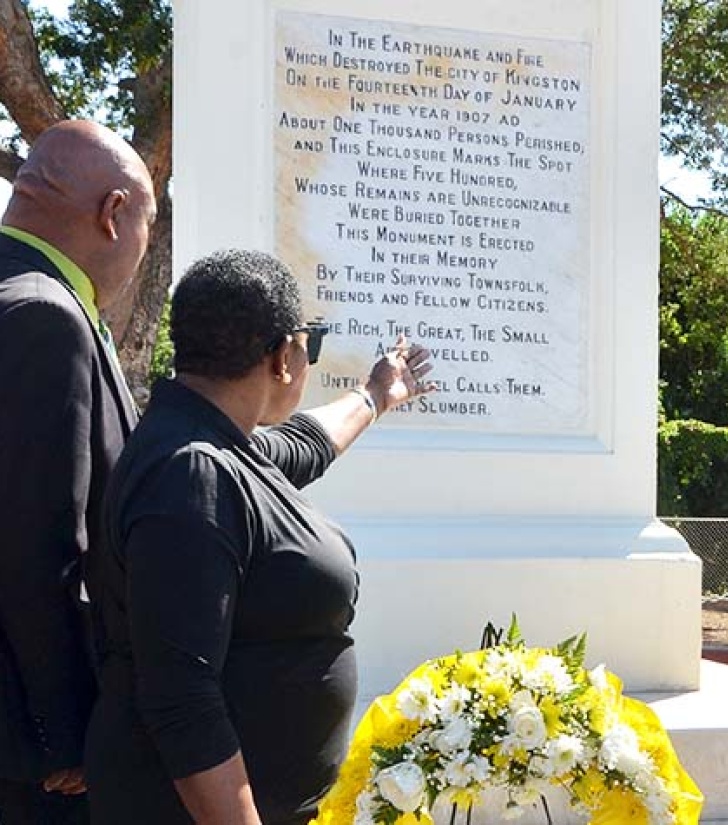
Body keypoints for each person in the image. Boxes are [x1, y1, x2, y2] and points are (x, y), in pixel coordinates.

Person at [84, 249, 434, 825]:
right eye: (307, 344)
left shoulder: (217, 444)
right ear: (283, 355)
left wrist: (376, 394)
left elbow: (305, 442)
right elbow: (182, 699)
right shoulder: (190, 474)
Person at [0, 120, 157, 824]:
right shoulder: (45, 316)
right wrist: (64, 729)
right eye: (149, 229)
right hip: (27, 753)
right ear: (114, 212)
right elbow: (38, 548)